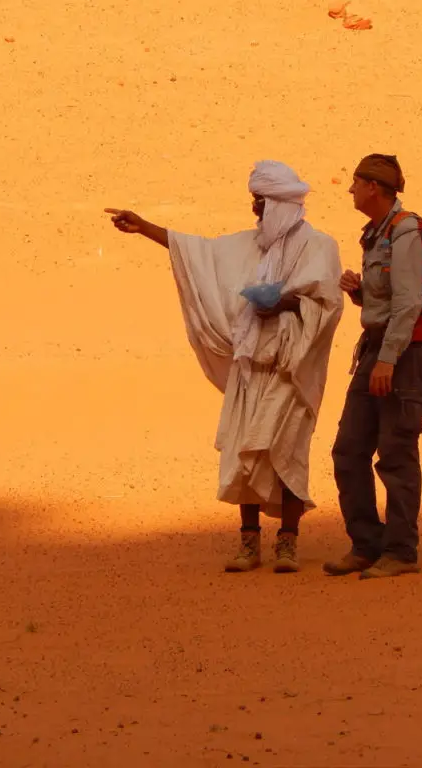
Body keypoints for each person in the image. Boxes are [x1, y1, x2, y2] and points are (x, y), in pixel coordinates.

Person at [105, 161, 343, 573]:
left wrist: (284, 302)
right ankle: (248, 545)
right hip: (250, 367)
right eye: (254, 201)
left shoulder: (320, 247)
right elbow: (197, 252)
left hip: (290, 371)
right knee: (243, 452)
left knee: (286, 451)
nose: (255, 210)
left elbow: (329, 303)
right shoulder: (246, 246)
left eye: (261, 202)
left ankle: (288, 544)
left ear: (282, 203)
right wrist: (144, 227)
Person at [324, 153, 422, 579]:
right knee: (349, 450)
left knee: (396, 453)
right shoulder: (374, 234)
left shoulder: (404, 232)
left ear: (374, 187)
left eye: (355, 182)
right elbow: (387, 299)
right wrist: (359, 294)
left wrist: (388, 359)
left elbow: (409, 304)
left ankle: (402, 552)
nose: (350, 189)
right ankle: (366, 544)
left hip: (401, 356)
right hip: (375, 348)